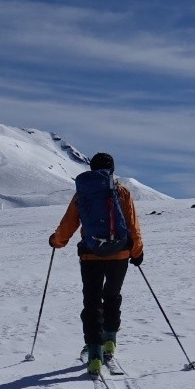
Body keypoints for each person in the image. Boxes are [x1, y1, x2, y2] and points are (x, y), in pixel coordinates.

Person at [48, 152, 144, 376]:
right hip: (119, 255)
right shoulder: (121, 192)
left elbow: (69, 223)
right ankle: (110, 340)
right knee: (112, 296)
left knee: (92, 302)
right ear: (112, 169)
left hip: (90, 255)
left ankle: (94, 354)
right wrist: (137, 252)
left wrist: (57, 241)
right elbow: (132, 225)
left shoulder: (82, 193)